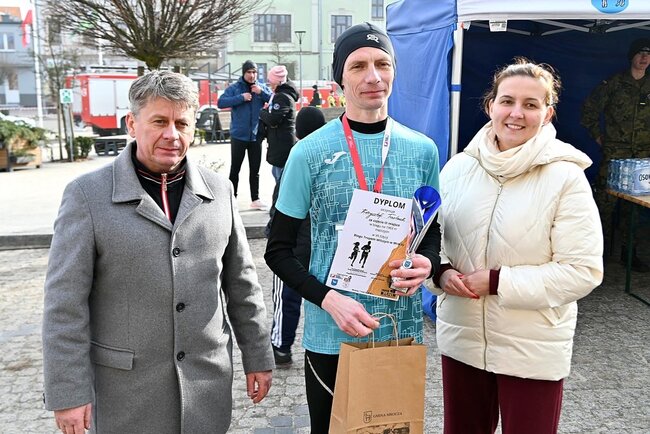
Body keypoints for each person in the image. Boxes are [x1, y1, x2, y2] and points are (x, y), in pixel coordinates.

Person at [42, 70, 274, 434]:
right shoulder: (87, 196)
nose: (172, 134)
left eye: (182, 123)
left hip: (205, 388)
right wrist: (68, 391)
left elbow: (242, 283)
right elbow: (64, 304)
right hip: (126, 395)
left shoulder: (220, 191)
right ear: (132, 124)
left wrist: (258, 355)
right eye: (159, 121)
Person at [265, 22, 441, 432]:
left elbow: (431, 232)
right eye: (358, 66)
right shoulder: (309, 153)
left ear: (395, 70)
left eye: (382, 64)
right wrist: (328, 300)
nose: (373, 76)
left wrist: (427, 264)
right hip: (333, 332)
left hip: (398, 329)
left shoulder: (423, 150)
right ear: (339, 79)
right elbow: (278, 250)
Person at [433, 58, 603, 434]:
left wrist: (497, 282)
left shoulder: (566, 178)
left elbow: (582, 271)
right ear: (490, 105)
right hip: (463, 337)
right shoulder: (457, 169)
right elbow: (433, 240)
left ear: (548, 113)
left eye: (531, 104)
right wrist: (440, 273)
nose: (516, 113)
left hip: (532, 347)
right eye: (507, 101)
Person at [581, 38, 650, 270]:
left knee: (635, 207)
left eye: (649, 53)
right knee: (604, 204)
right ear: (632, 56)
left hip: (642, 157)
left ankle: (628, 253)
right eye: (640, 52)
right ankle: (595, 255)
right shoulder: (614, 83)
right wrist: (598, 137)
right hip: (615, 155)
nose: (644, 57)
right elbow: (589, 110)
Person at [269, 106, 327, 365]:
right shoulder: (333, 159)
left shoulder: (296, 159)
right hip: (323, 246)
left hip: (293, 248)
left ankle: (281, 347)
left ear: (297, 132)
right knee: (323, 297)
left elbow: (279, 208)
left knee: (286, 298)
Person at [218, 60, 272, 210]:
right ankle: (232, 199)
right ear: (244, 73)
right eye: (249, 72)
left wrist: (261, 93)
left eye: (254, 72)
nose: (252, 75)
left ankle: (255, 199)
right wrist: (241, 98)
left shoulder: (260, 87)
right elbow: (221, 103)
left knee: (255, 170)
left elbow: (274, 100)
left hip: (255, 136)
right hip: (238, 136)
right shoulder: (235, 88)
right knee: (235, 169)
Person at [259, 65, 299, 210]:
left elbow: (273, 120)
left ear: (277, 82)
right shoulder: (282, 95)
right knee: (278, 175)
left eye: (270, 81)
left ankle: (278, 210)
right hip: (280, 142)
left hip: (282, 144)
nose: (269, 83)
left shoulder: (282, 97)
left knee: (281, 179)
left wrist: (262, 112)